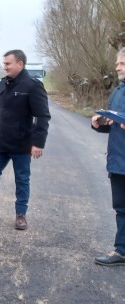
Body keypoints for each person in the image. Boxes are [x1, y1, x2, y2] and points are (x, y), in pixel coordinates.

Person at [0, 49, 51, 230]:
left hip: (22, 144)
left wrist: (38, 143)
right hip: (1, 143)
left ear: (20, 64)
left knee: (22, 179)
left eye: (8, 63)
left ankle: (20, 214)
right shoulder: (3, 83)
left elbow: (43, 116)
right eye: (4, 63)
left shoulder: (33, 86)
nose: (4, 66)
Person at [92, 47, 125, 266]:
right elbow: (114, 124)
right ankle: (121, 251)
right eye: (117, 63)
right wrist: (100, 123)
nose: (116, 67)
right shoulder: (118, 91)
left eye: (121, 63)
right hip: (118, 161)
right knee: (121, 208)